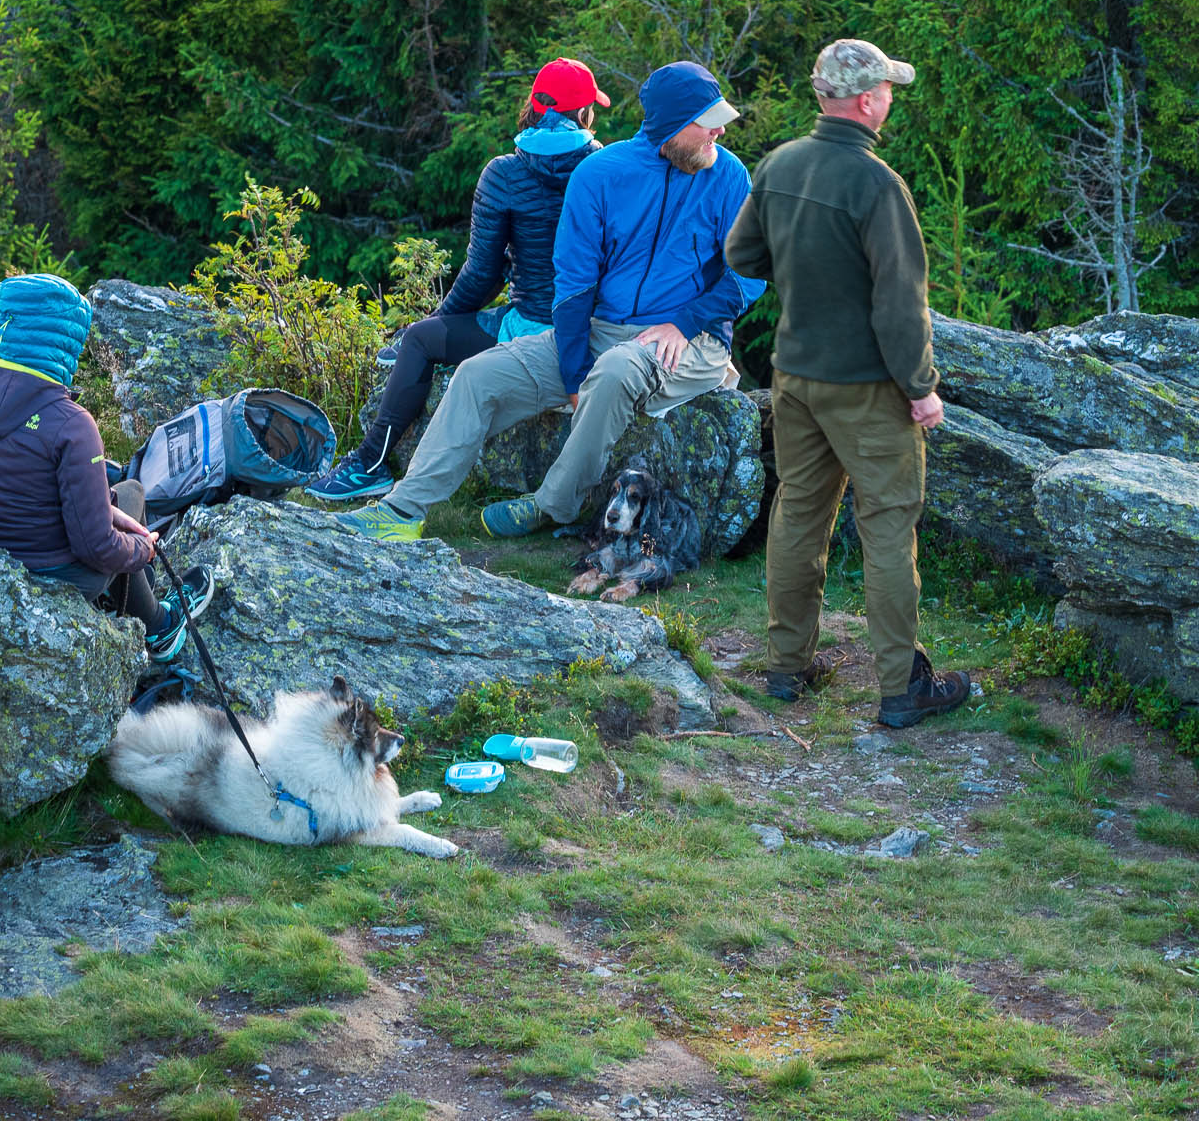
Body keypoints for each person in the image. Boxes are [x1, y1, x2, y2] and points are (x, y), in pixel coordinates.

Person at [339, 60, 761, 542]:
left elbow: (749, 274)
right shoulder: (599, 174)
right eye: (709, 122)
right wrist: (573, 366)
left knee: (618, 370)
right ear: (674, 124)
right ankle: (402, 512)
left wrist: (684, 324)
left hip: (690, 340)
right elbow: (575, 284)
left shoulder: (728, 176)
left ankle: (551, 506)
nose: (720, 131)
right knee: (477, 375)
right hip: (602, 331)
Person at [724, 38, 971, 726]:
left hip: (795, 374)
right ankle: (902, 690)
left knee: (799, 510)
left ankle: (786, 668)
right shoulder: (876, 184)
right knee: (888, 524)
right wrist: (920, 387)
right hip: (865, 387)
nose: (891, 97)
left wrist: (810, 274)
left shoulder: (779, 164)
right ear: (866, 100)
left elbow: (742, 253)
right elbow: (900, 300)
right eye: (888, 88)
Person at [306, 58, 609, 502]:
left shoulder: (504, 173)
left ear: (534, 106)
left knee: (420, 342)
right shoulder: (603, 167)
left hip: (529, 327)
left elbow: (482, 274)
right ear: (583, 115)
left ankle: (370, 464)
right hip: (594, 330)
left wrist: (427, 323)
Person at [0, 273, 211, 661]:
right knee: (133, 493)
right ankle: (160, 627)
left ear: (8, 324)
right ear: (67, 337)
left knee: (113, 504)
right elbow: (97, 547)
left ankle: (134, 596)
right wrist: (144, 550)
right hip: (55, 574)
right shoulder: (71, 422)